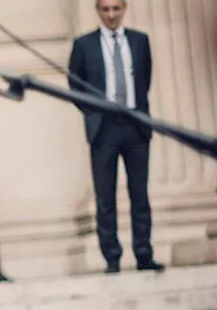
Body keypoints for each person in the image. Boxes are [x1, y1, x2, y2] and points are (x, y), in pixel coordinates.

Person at [68, 0, 163, 274]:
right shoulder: (84, 45)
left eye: (116, 9)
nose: (111, 15)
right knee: (105, 196)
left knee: (140, 194)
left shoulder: (139, 41)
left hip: (135, 125)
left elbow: (145, 78)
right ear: (98, 11)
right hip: (103, 128)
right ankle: (112, 256)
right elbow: (75, 85)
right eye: (105, 9)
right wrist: (93, 112)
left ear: (124, 9)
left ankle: (144, 253)